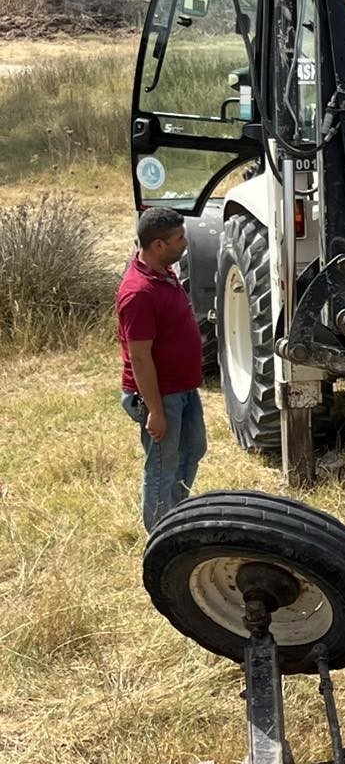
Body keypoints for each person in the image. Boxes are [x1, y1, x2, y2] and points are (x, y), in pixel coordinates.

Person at [116, 207, 207, 531]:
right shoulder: (138, 293)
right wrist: (155, 410)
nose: (185, 243)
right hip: (161, 395)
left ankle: (177, 517)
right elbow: (139, 357)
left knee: (194, 448)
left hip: (182, 388)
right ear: (158, 245)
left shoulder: (165, 272)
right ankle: (161, 538)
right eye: (179, 238)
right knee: (162, 466)